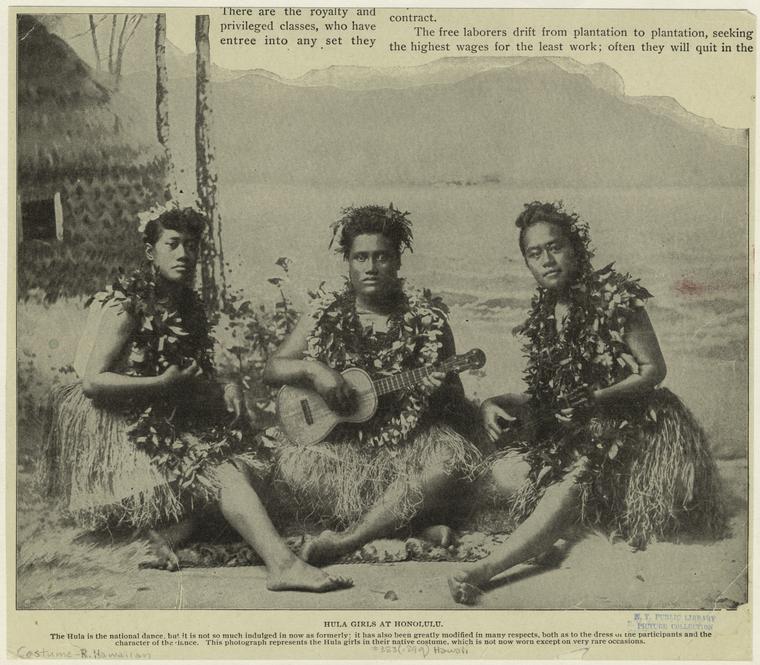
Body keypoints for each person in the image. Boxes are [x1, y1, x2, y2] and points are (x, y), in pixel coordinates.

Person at [40, 205, 351, 593]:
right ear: (150, 251)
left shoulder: (186, 304)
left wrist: (225, 387)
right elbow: (92, 383)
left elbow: (191, 371)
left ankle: (169, 532)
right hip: (123, 422)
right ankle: (282, 564)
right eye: (172, 244)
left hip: (162, 408)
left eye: (191, 245)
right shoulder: (127, 307)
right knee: (222, 473)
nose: (184, 254)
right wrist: (161, 384)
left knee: (252, 475)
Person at [448, 201, 726, 604]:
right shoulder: (546, 313)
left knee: (577, 479)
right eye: (535, 253)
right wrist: (492, 401)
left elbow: (652, 370)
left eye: (555, 246)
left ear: (576, 247)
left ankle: (485, 570)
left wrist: (596, 398)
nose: (547, 259)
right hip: (581, 422)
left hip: (637, 421)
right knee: (519, 470)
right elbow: (542, 394)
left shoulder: (615, 298)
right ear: (527, 262)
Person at [264, 204, 480, 563]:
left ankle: (348, 539)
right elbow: (273, 369)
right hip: (341, 447)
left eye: (382, 257)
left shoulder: (430, 322)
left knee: (449, 464)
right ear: (347, 261)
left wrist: (437, 391)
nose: (371, 267)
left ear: (397, 262)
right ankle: (404, 522)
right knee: (291, 470)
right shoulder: (322, 315)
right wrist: (315, 371)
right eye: (360, 257)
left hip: (408, 448)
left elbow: (456, 402)